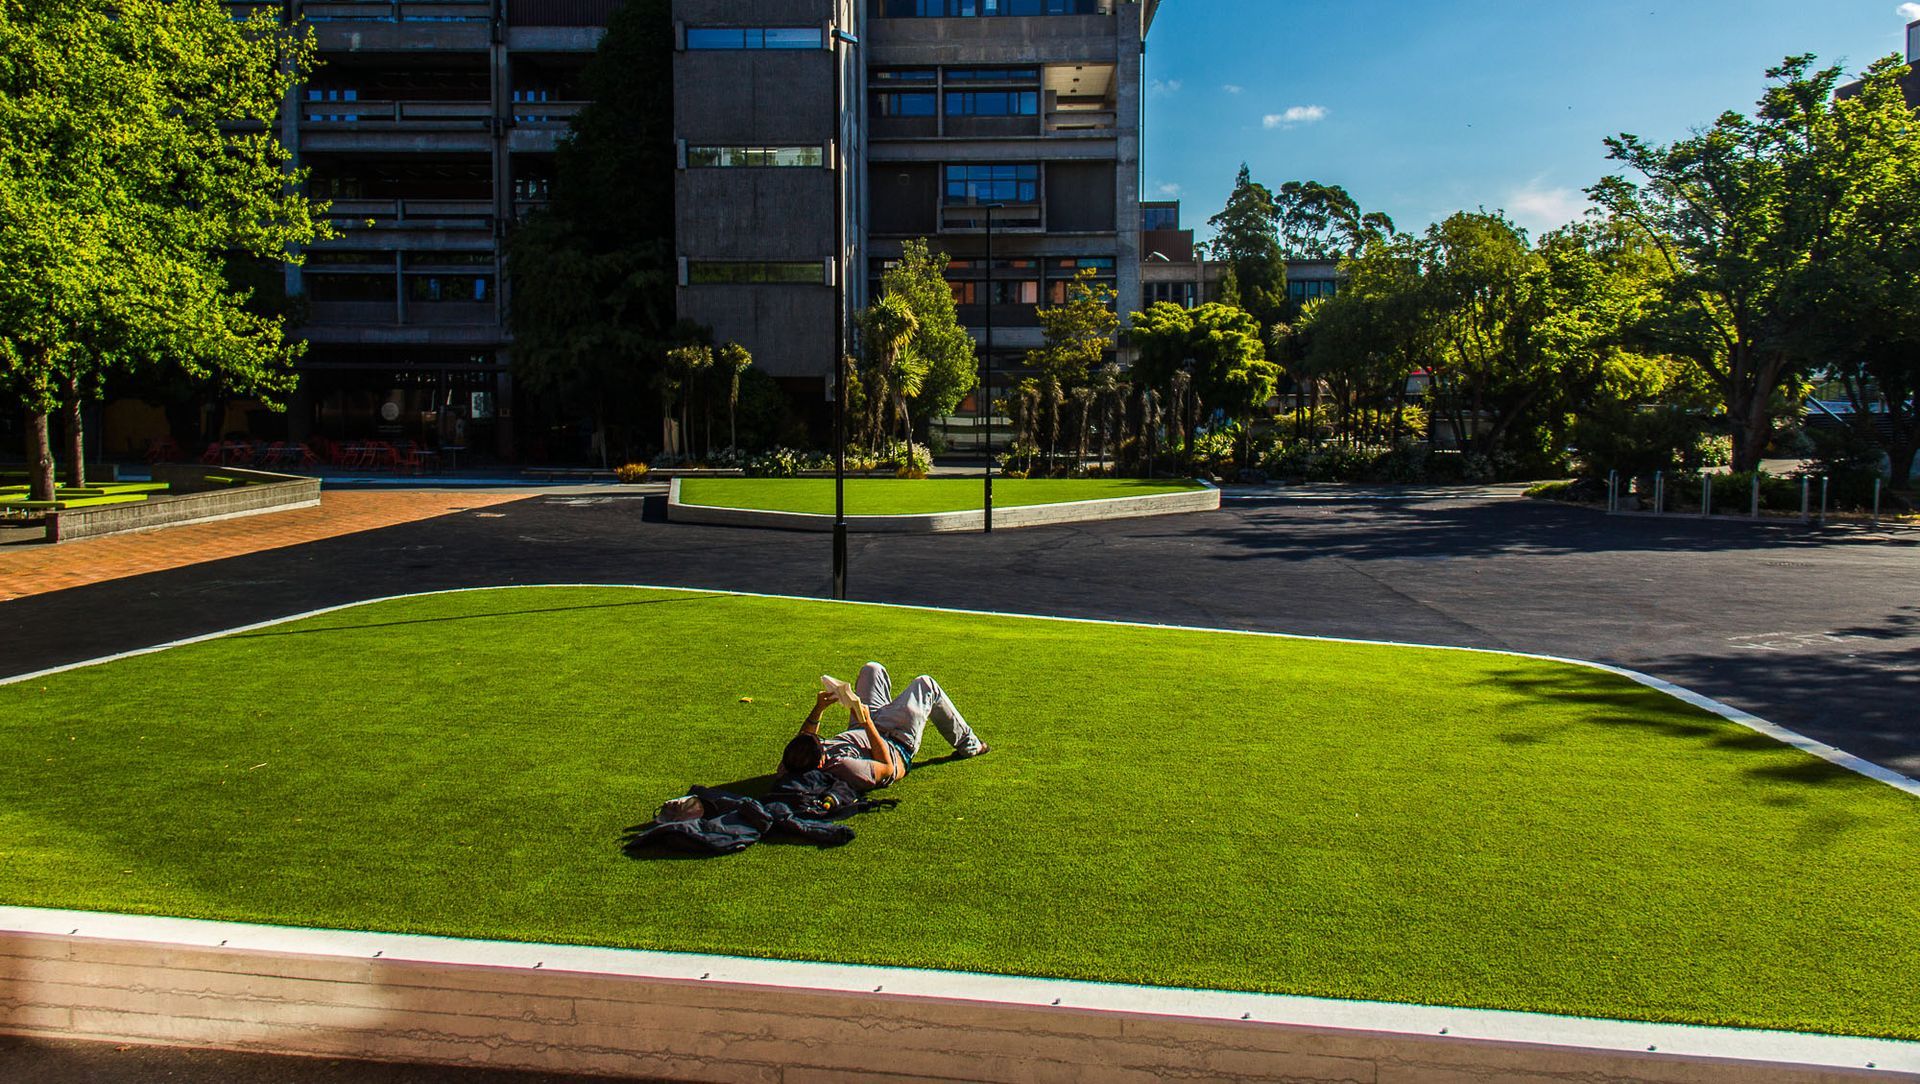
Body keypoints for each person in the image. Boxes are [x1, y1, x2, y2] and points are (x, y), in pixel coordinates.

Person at [780, 662, 989, 791]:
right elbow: (889, 769)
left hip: (863, 726)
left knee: (872, 669)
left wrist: (818, 709)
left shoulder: (791, 765)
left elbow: (803, 743)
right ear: (821, 762)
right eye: (820, 743)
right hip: (894, 738)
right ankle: (971, 746)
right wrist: (867, 722)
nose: (821, 740)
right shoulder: (846, 768)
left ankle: (883, 709)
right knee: (926, 685)